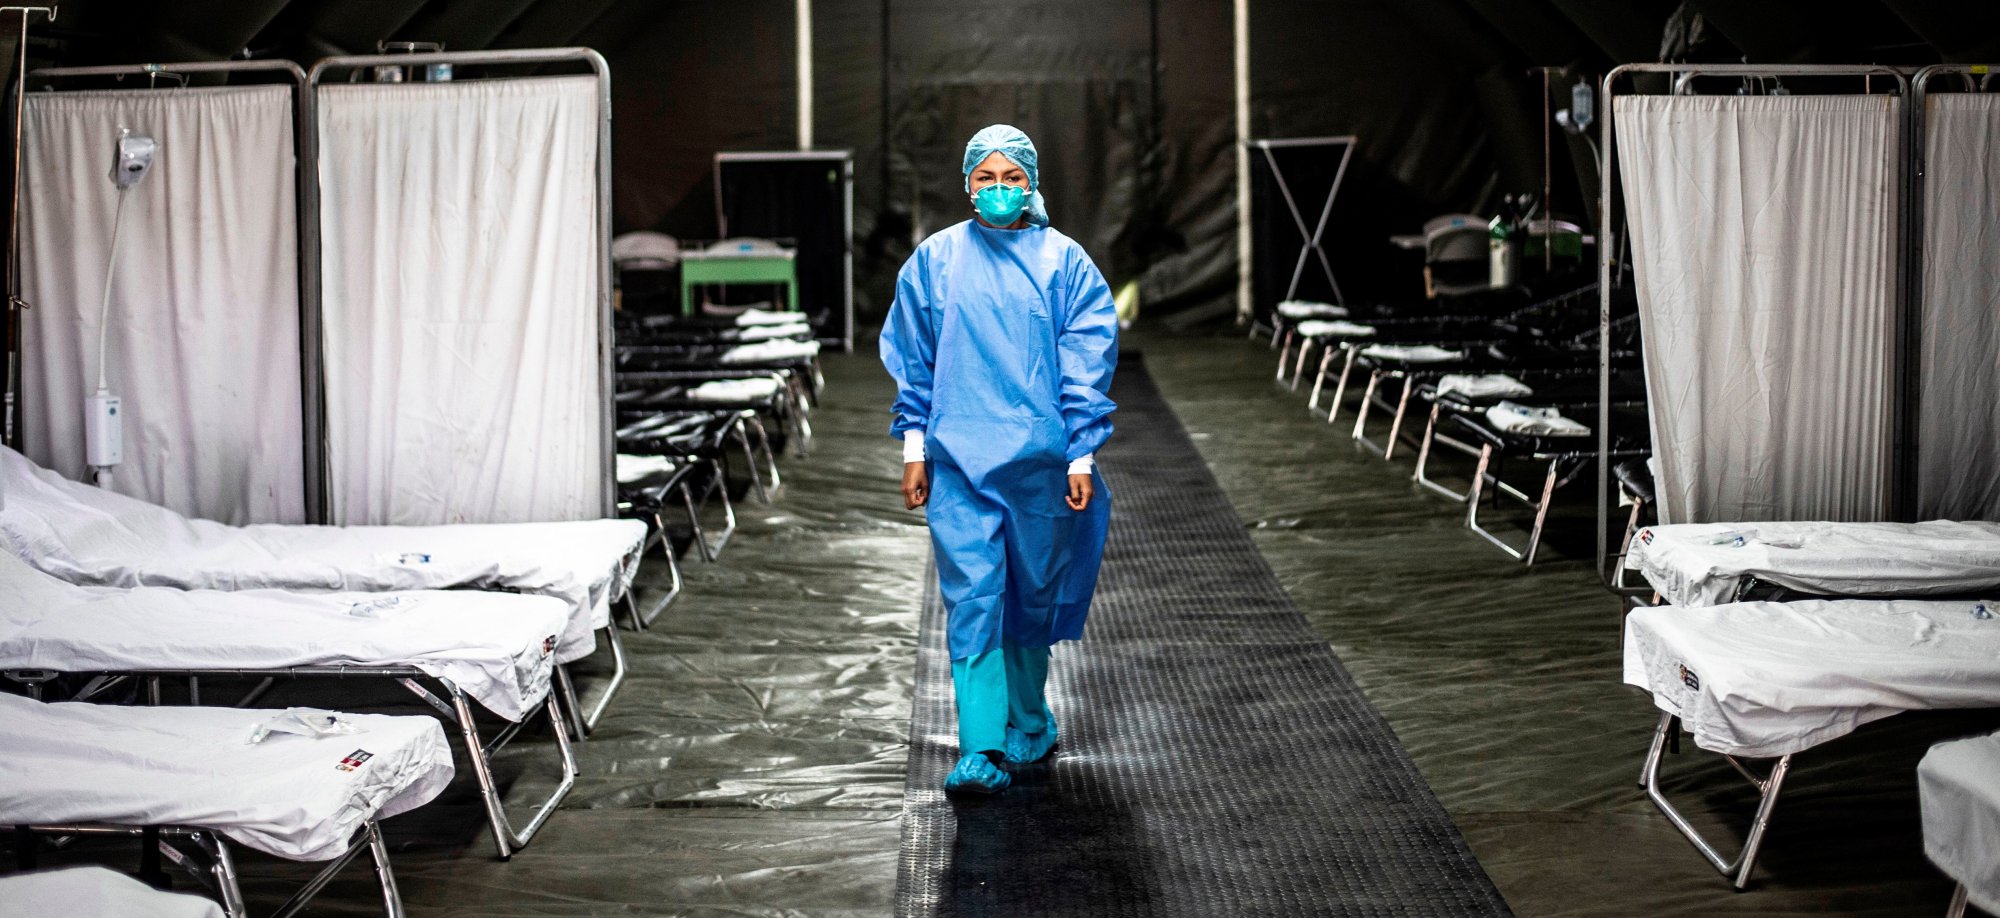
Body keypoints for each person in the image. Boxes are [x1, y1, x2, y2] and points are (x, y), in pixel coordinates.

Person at [880, 124, 1119, 795]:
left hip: (1041, 464)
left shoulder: (1065, 264)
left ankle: (1031, 721)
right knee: (974, 597)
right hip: (957, 462)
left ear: (1032, 182)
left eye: (1011, 177)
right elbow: (914, 363)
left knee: (1032, 598)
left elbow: (1085, 365)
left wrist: (1080, 458)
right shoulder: (935, 262)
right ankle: (980, 745)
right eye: (984, 178)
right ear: (966, 184)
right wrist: (914, 448)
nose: (998, 190)